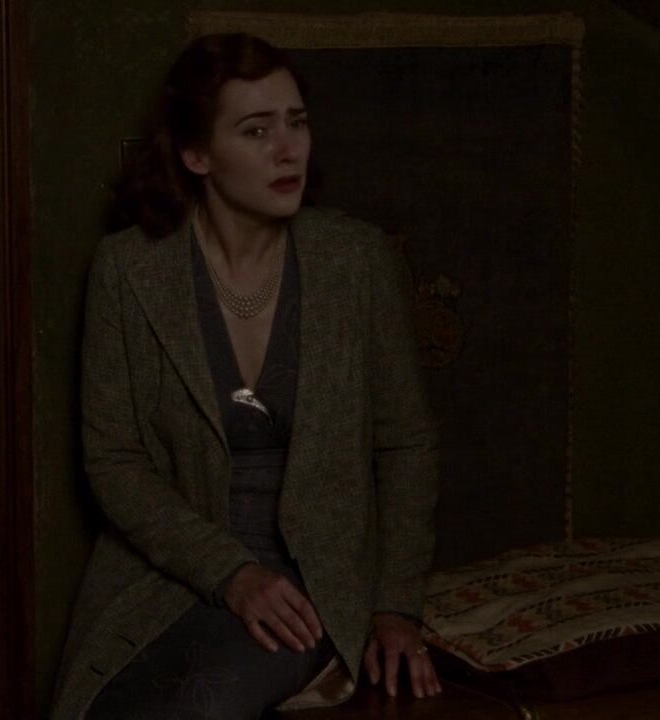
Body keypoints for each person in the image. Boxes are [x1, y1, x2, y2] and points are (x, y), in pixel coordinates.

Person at [51, 33, 440, 720]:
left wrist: (395, 605)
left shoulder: (355, 260)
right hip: (171, 571)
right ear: (196, 154)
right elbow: (113, 460)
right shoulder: (129, 270)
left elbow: (405, 443)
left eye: (297, 122)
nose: (289, 150)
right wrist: (229, 573)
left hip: (310, 584)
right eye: (257, 130)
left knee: (196, 707)